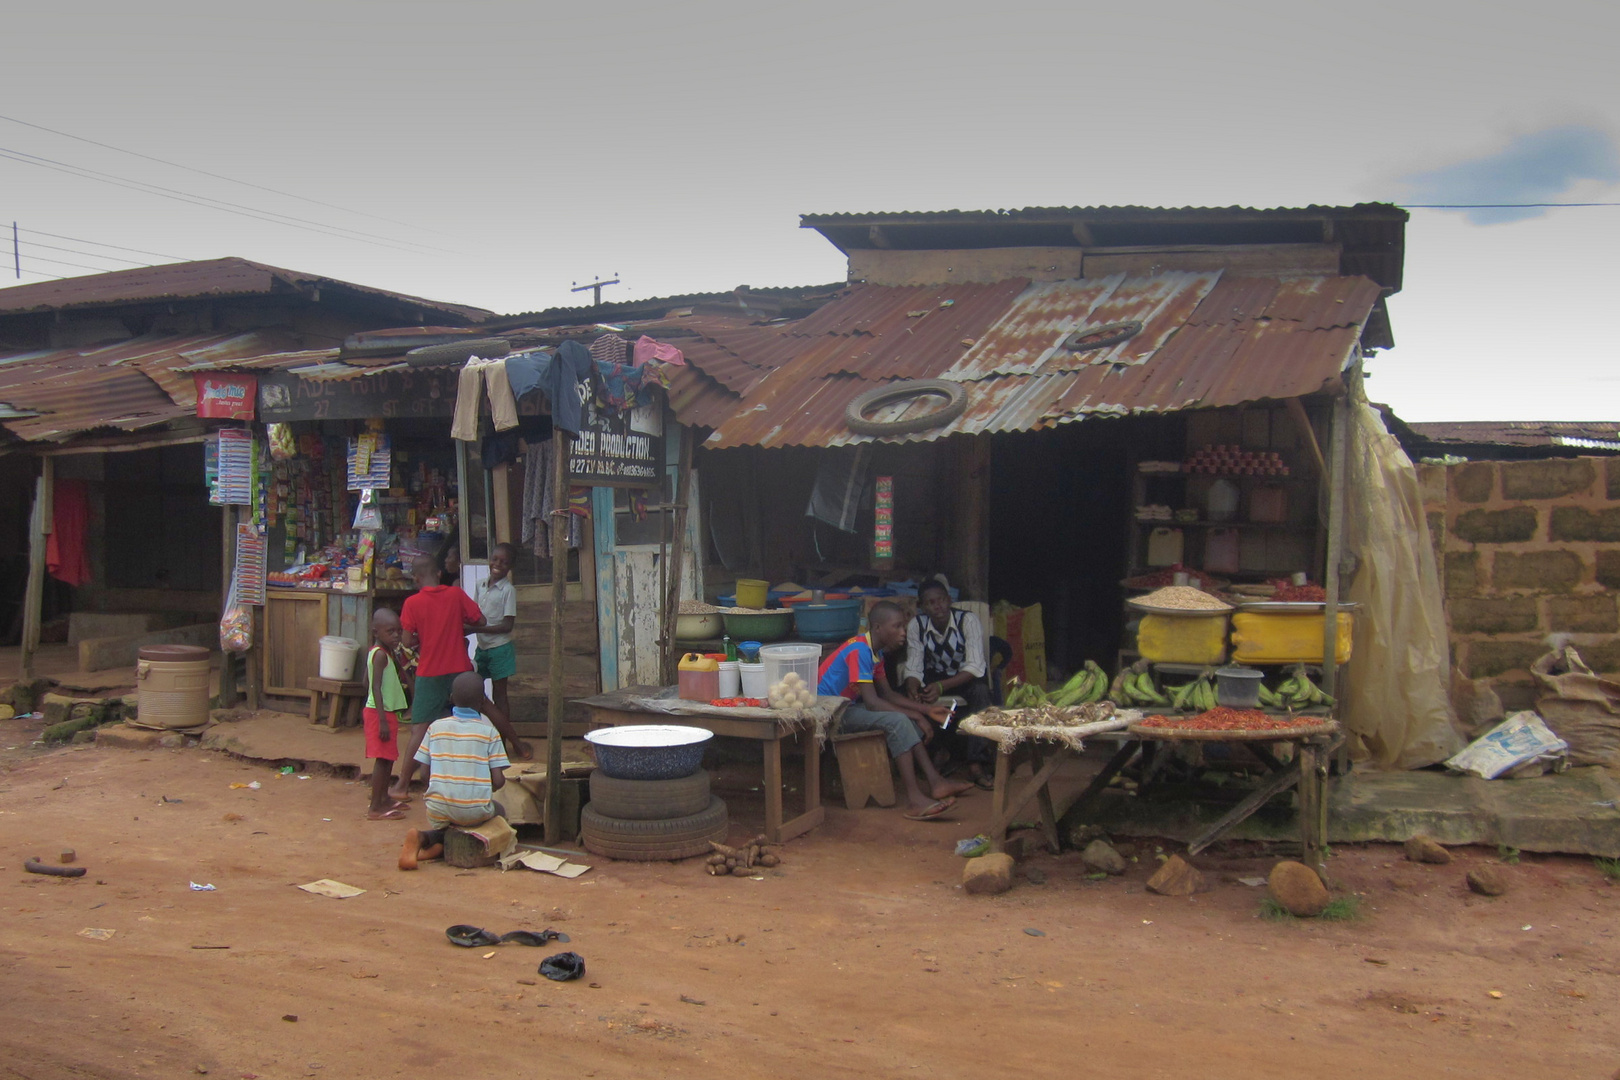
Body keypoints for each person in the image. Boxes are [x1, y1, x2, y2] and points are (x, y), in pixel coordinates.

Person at [818, 601, 974, 820]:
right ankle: (914, 800)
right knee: (899, 721)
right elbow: (873, 702)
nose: (903, 633)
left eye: (904, 627)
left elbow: (889, 695)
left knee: (905, 720)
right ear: (878, 627)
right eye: (898, 627)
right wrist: (918, 714)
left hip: (845, 707)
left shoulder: (876, 653)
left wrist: (927, 710)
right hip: (829, 713)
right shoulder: (860, 650)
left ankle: (936, 782)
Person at [389, 555, 526, 803]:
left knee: (420, 728)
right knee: (486, 705)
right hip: (460, 669)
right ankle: (518, 746)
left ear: (416, 578)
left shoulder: (412, 603)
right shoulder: (456, 595)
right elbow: (481, 620)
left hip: (430, 672)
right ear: (439, 574)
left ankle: (401, 785)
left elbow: (408, 641)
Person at [399, 672, 510, 870]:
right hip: (475, 809)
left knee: (449, 820)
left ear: (451, 699)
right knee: (499, 811)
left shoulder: (435, 727)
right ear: (482, 702)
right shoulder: (490, 733)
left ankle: (424, 838)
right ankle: (468, 845)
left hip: (437, 807)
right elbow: (499, 781)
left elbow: (424, 775)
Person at [901, 578, 997, 789]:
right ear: (922, 606)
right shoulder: (917, 625)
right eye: (931, 602)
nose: (938, 606)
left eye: (942, 600)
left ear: (950, 599)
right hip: (936, 676)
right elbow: (915, 665)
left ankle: (976, 763)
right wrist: (912, 685)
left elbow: (974, 666)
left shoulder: (967, 621)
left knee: (981, 694)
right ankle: (939, 750)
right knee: (917, 697)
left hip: (965, 677)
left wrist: (943, 687)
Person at [362, 608, 411, 820]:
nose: (396, 636)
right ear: (376, 632)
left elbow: (367, 680)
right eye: (390, 632)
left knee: (388, 758)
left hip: (385, 712)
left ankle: (384, 798)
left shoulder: (386, 653)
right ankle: (375, 807)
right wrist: (381, 719)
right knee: (382, 760)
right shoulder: (380, 655)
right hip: (379, 714)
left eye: (399, 631)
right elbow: (374, 688)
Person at [466, 541, 518, 725]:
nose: (497, 564)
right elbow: (474, 614)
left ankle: (503, 739)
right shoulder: (480, 585)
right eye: (495, 559)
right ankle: (481, 731)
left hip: (499, 649)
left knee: (500, 695)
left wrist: (474, 629)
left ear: (510, 567)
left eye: (503, 562)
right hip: (483, 647)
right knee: (473, 688)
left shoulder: (508, 590)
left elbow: (507, 626)